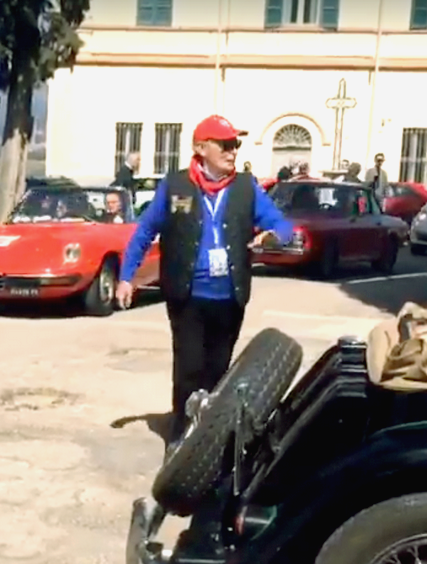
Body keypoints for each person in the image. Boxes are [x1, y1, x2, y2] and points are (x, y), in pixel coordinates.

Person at [116, 114, 295, 452]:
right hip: (187, 296)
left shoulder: (246, 187)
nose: (232, 151)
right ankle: (180, 435)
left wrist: (275, 235)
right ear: (201, 148)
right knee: (188, 370)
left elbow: (282, 225)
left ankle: (210, 440)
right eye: (225, 145)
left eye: (236, 145)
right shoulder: (175, 186)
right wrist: (126, 277)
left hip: (229, 296)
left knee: (218, 371)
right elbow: (143, 232)